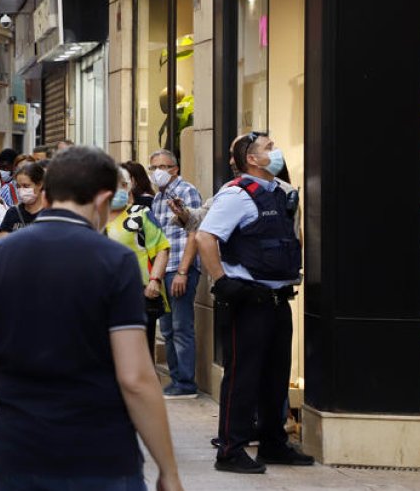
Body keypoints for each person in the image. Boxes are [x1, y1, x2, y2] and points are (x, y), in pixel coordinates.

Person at [0, 146, 183, 491]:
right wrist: (168, 470)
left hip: (17, 456)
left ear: (45, 194)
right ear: (104, 198)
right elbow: (136, 378)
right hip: (102, 458)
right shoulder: (116, 261)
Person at [194, 131, 312, 473]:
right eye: (269, 148)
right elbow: (205, 237)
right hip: (249, 299)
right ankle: (230, 450)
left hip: (277, 297)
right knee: (243, 377)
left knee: (275, 376)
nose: (276, 152)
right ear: (252, 159)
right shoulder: (236, 195)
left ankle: (273, 444)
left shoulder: (277, 193)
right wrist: (223, 282)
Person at [148, 149, 204, 400]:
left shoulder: (187, 191)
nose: (158, 171)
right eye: (154, 167)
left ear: (175, 169)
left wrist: (183, 270)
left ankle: (185, 382)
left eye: (164, 166)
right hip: (163, 270)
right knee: (168, 328)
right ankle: (176, 378)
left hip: (180, 268)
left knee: (181, 327)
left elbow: (194, 231)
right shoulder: (158, 199)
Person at [103, 166, 170, 354]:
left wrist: (155, 281)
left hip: (140, 293)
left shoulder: (140, 214)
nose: (121, 190)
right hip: (103, 295)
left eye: (124, 185)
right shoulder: (92, 218)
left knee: (141, 353)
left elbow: (161, 248)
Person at [0, 161, 46, 236]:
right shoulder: (13, 213)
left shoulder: (50, 213)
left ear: (39, 184)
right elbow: (4, 243)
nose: (22, 191)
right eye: (18, 187)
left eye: (26, 186)